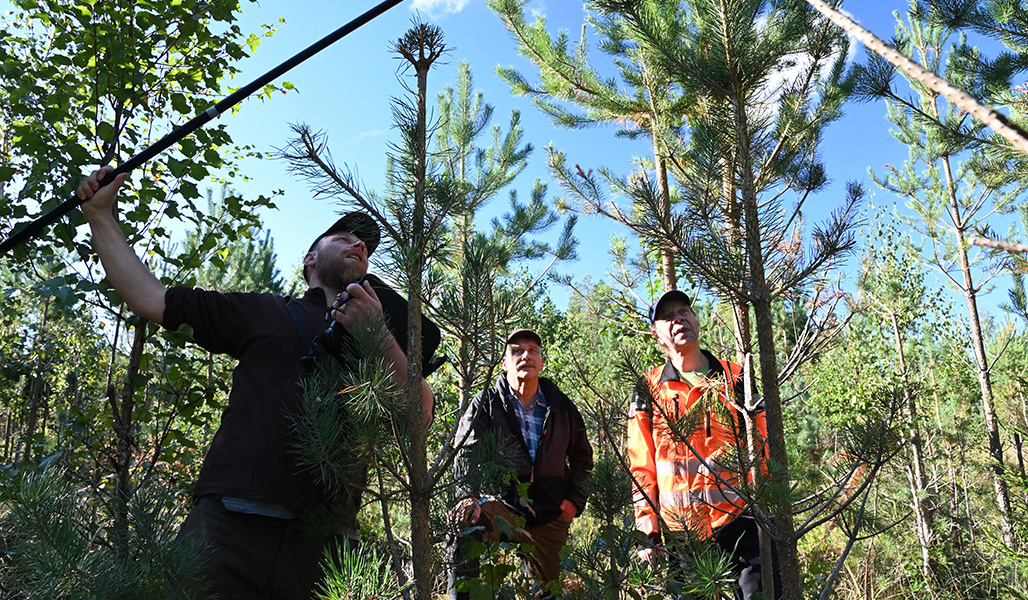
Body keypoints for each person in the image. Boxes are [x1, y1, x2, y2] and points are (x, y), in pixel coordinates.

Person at [76, 167, 436, 598]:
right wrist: (100, 216)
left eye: (363, 245)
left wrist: (378, 336)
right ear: (309, 259)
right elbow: (152, 298)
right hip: (229, 526)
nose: (357, 245)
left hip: (327, 543)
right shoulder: (264, 311)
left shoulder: (379, 335)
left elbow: (420, 417)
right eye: (342, 238)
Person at [627, 290, 775, 600]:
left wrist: (767, 506)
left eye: (684, 311)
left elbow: (761, 445)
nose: (678, 318)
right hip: (682, 532)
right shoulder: (648, 388)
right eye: (668, 316)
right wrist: (647, 529)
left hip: (740, 522)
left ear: (697, 320)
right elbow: (641, 464)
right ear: (656, 333)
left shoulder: (736, 377)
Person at [448, 328, 594, 600]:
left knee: (548, 592)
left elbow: (583, 458)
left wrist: (574, 500)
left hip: (550, 512)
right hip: (503, 506)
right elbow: (465, 454)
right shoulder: (486, 403)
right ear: (505, 362)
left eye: (533, 351)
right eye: (517, 350)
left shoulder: (561, 406)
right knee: (465, 521)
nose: (526, 355)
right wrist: (467, 498)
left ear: (541, 362)